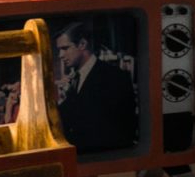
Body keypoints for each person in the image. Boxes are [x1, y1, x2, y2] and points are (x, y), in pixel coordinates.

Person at [52, 20, 139, 152]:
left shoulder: (114, 77)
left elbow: (120, 130)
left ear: (82, 44)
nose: (60, 55)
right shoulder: (75, 79)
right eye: (59, 50)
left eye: (65, 48)